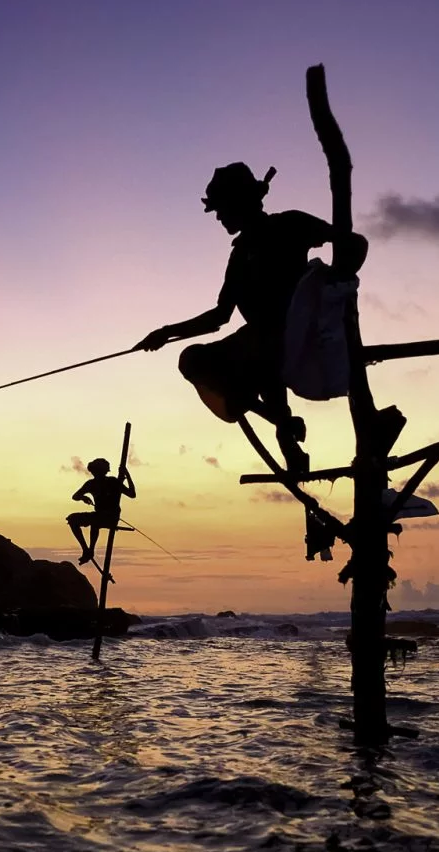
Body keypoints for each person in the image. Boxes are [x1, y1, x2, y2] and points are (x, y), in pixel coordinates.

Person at [134, 162, 368, 473]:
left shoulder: (289, 225)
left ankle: (284, 429)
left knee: (263, 352)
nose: (218, 217)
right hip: (258, 338)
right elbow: (220, 315)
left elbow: (354, 243)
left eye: (221, 209)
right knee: (193, 360)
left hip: (295, 332)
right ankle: (282, 422)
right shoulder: (239, 254)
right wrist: (166, 333)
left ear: (239, 203)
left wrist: (336, 284)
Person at [67, 457, 136, 565]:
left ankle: (90, 550)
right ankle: (86, 550)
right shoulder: (91, 484)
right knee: (72, 519)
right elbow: (75, 496)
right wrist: (83, 497)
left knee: (95, 521)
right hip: (98, 515)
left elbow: (132, 494)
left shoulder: (113, 482)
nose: (95, 474)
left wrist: (127, 475)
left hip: (111, 517)